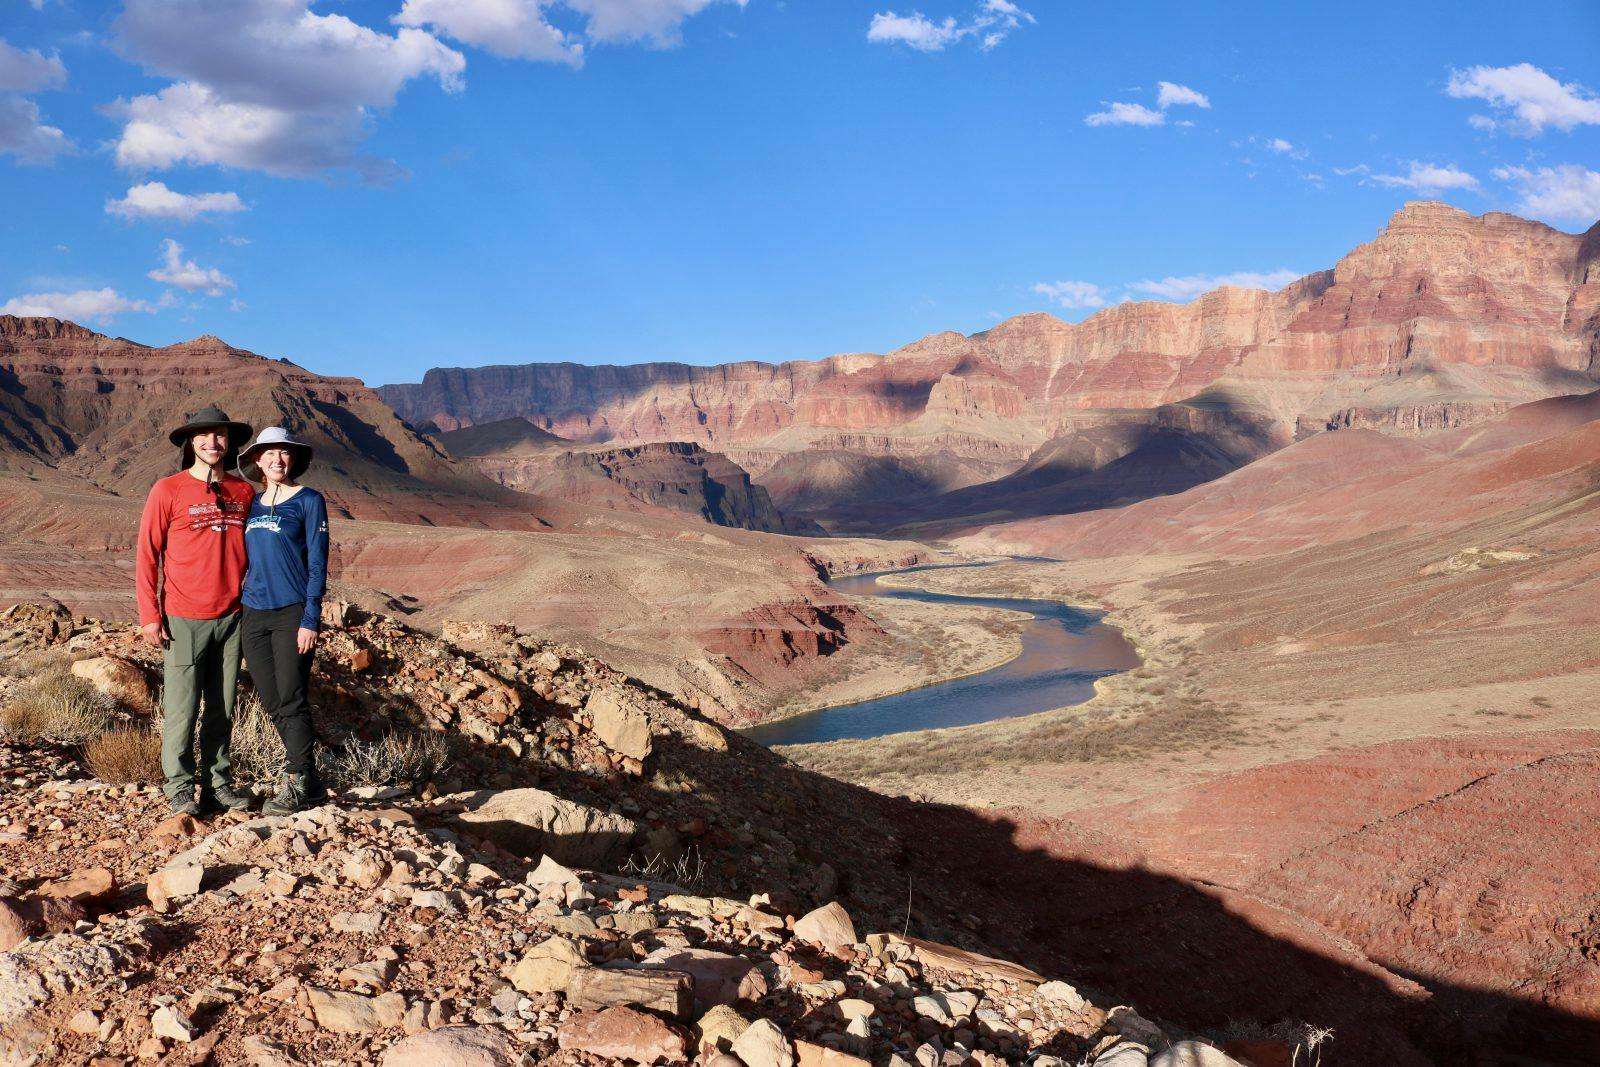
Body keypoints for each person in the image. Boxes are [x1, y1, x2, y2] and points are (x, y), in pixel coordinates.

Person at [137, 406, 256, 816]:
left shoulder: (243, 492)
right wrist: (150, 615)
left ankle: (219, 786)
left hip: (233, 617)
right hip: (183, 618)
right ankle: (179, 789)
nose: (212, 443)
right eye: (203, 435)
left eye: (219, 435)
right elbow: (147, 556)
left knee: (223, 709)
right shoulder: (167, 490)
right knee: (183, 711)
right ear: (191, 442)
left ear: (230, 441)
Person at [236, 426, 330, 814]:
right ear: (257, 460)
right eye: (269, 453)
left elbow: (318, 563)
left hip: (292, 611)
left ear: (293, 460)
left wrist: (311, 618)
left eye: (284, 453)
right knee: (272, 698)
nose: (277, 460)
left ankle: (295, 782)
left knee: (291, 697)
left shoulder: (309, 501)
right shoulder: (252, 504)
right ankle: (312, 781)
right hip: (253, 611)